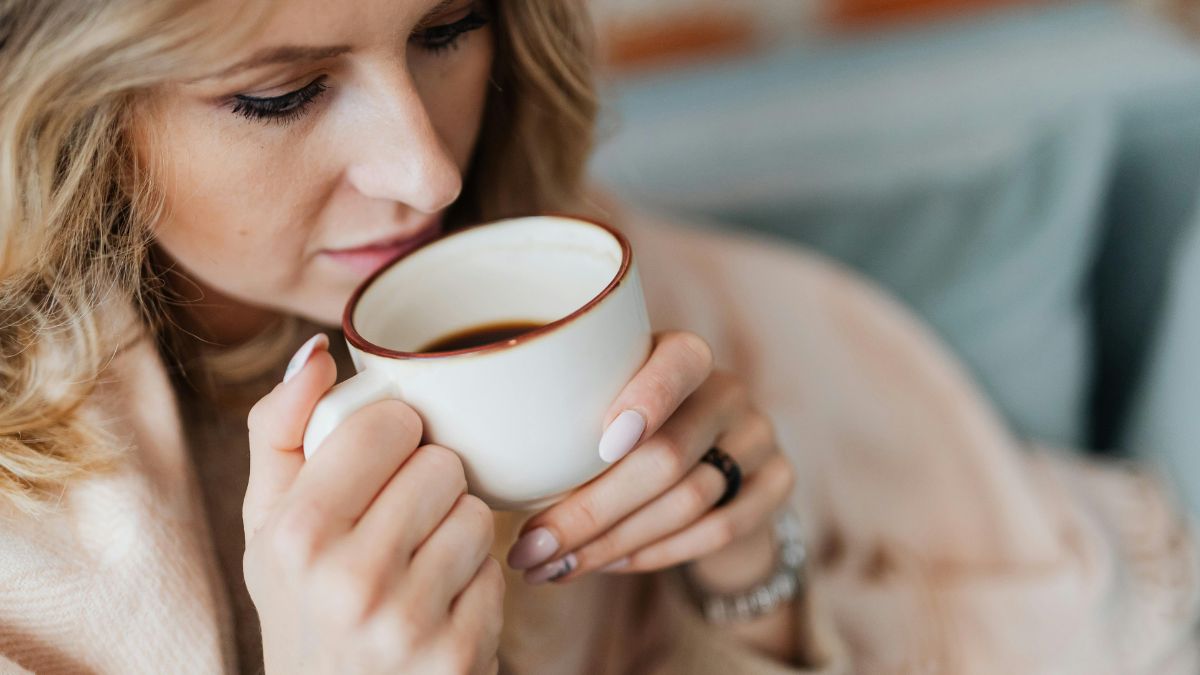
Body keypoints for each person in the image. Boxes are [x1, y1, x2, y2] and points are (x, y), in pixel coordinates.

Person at [0, 0, 1195, 673]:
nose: (424, 169)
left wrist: (748, 581)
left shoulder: (574, 282)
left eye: (448, 27)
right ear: (64, 114)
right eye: (281, 94)